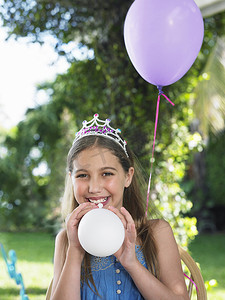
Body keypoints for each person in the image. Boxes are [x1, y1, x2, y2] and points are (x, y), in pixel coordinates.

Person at [50, 113, 189, 300]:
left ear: (128, 176)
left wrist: (131, 263)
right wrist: (75, 252)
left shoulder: (156, 232)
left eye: (107, 173)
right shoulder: (67, 240)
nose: (94, 187)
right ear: (71, 180)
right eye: (82, 175)